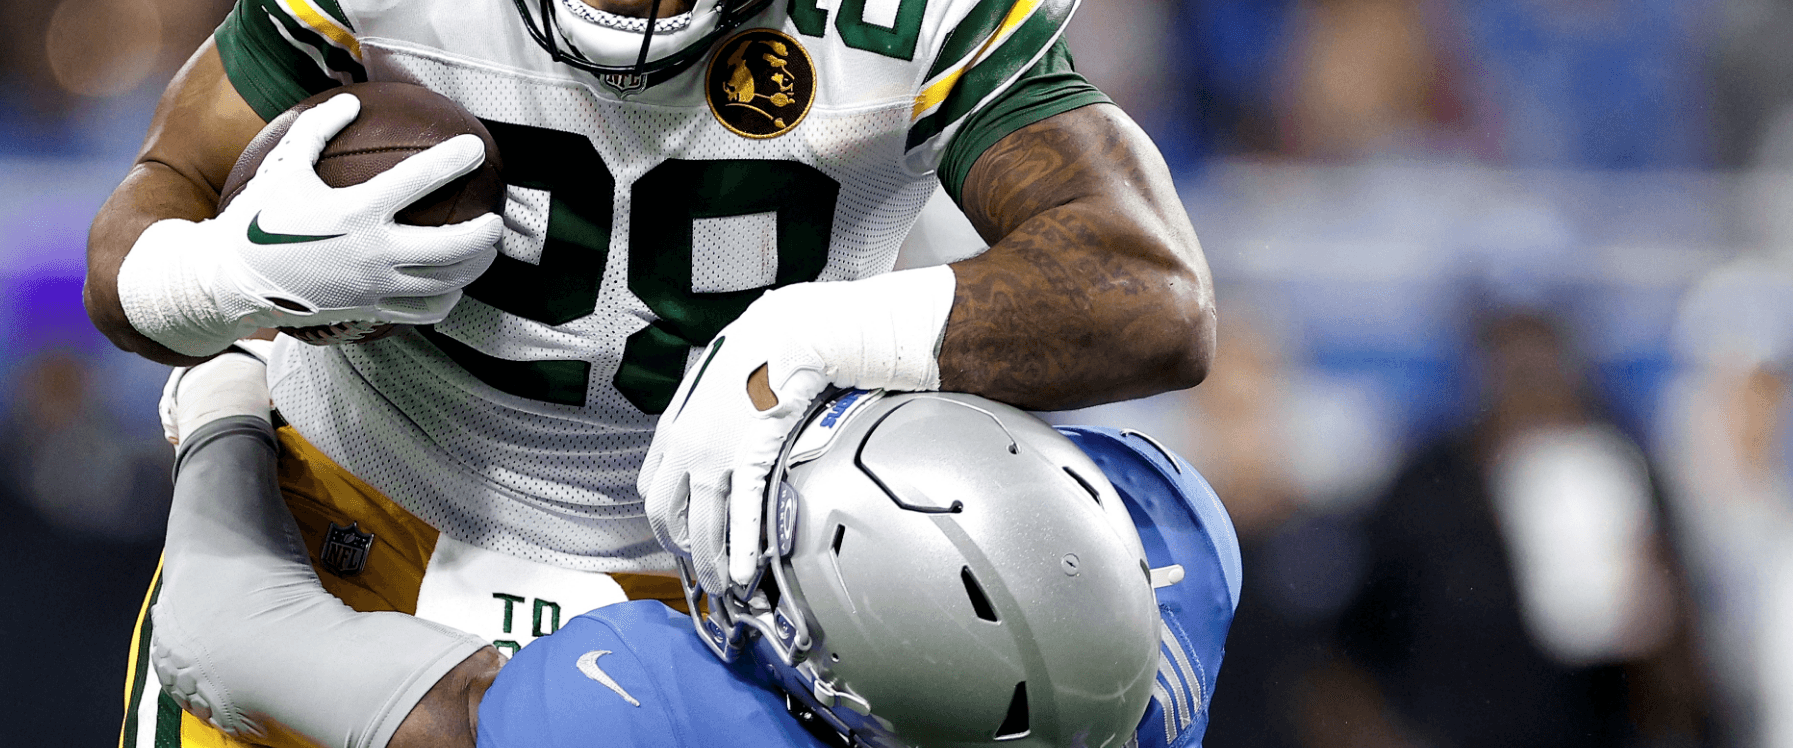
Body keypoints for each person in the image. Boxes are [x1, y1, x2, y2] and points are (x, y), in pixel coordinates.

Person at [86, 0, 1214, 741]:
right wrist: (232, 275)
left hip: (719, 592)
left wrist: (809, 336)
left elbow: (1148, 288)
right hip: (353, 510)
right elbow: (144, 222)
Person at [148, 348, 1241, 748]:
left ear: (834, 684)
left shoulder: (668, 710)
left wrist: (224, 402)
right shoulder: (1172, 547)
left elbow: (219, 633)